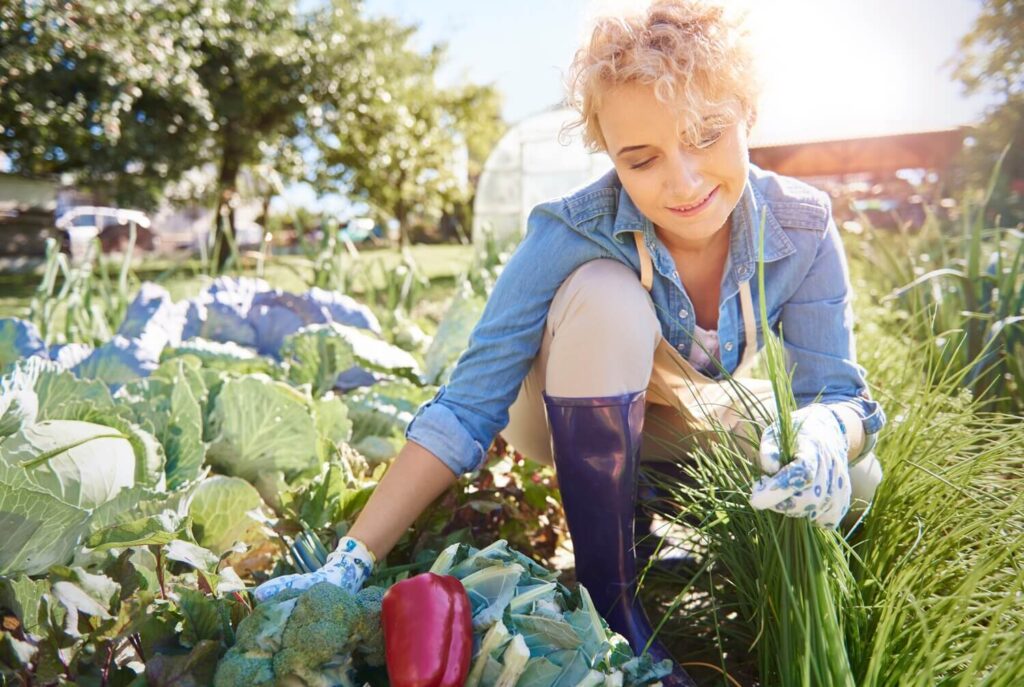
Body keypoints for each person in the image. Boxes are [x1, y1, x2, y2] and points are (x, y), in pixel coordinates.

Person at [253, 1, 886, 683]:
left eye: (707, 134)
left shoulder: (802, 226)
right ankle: (610, 599)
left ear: (748, 113)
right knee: (608, 294)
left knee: (857, 475)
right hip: (559, 408)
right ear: (612, 157)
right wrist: (349, 558)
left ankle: (697, 552)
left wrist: (827, 428)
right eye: (642, 160)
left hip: (676, 411)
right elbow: (465, 407)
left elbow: (841, 392)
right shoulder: (569, 229)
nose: (684, 181)